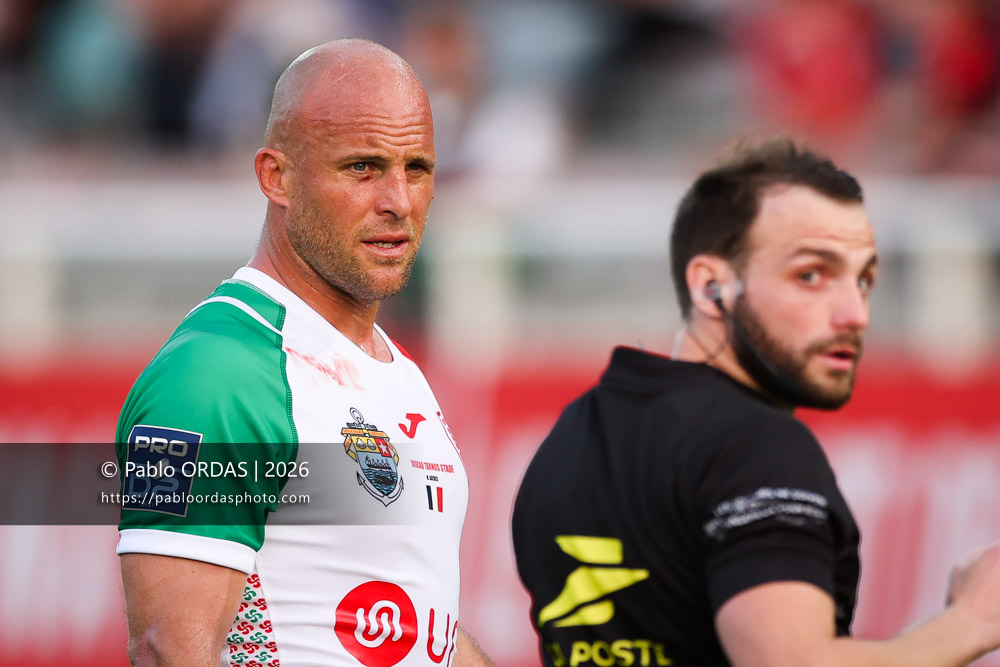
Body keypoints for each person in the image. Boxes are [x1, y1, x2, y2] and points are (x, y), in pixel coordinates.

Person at [511, 138, 1000, 666]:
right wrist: (970, 623)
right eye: (811, 275)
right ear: (711, 287)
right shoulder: (756, 445)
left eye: (864, 281)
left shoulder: (570, 436)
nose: (854, 313)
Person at [116, 39, 492, 667]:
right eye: (362, 168)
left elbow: (425, 634)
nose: (398, 201)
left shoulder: (396, 374)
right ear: (276, 176)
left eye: (418, 168)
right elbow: (168, 650)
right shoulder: (217, 374)